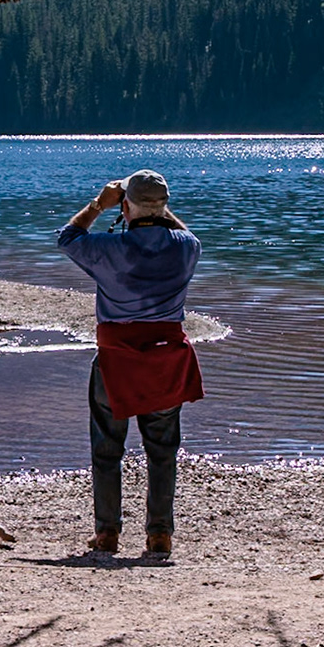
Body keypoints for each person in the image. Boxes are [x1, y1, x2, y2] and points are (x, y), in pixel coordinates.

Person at [56, 169, 203, 563]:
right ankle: (160, 536)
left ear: (125, 208)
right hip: (166, 360)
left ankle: (107, 534)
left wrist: (98, 205)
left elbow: (67, 238)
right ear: (165, 207)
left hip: (116, 360)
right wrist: (156, 211)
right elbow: (185, 234)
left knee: (107, 448)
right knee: (162, 451)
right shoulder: (187, 248)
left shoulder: (109, 248)